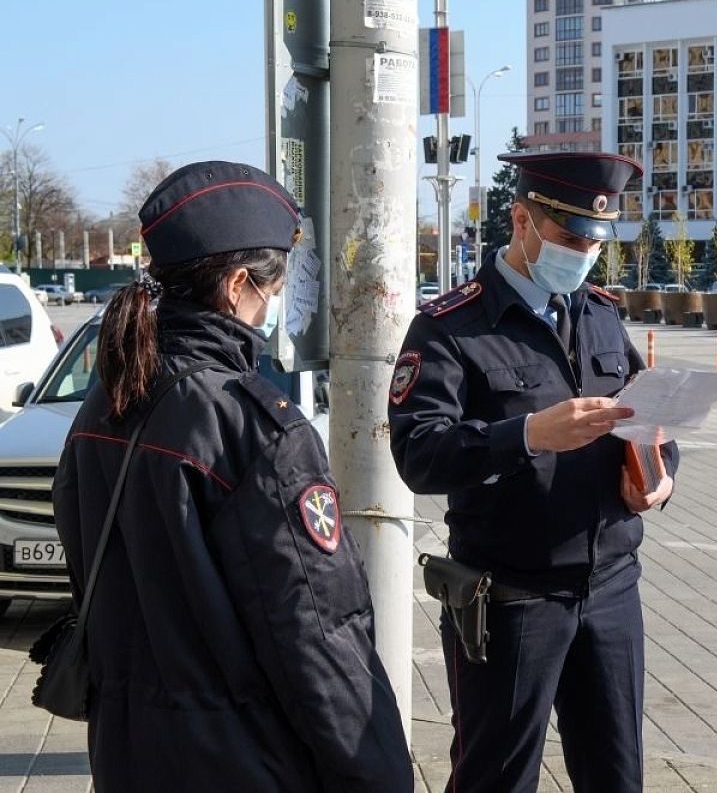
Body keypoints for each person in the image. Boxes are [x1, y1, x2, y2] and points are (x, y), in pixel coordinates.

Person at [52, 161, 414, 792]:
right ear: (239, 284)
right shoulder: (254, 427)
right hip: (243, 762)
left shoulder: (104, 401)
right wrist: (380, 771)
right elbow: (317, 635)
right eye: (272, 293)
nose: (271, 308)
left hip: (128, 752)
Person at [389, 150, 679, 792]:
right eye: (570, 238)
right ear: (521, 220)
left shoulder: (598, 313)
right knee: (497, 778)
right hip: (510, 599)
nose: (584, 253)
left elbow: (647, 413)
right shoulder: (449, 328)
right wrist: (525, 434)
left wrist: (659, 475)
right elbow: (419, 454)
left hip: (610, 591)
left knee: (617, 775)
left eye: (596, 241)